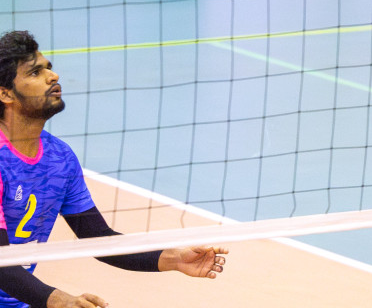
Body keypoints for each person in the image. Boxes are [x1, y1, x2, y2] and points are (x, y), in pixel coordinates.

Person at [0, 30, 228, 308]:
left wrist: (173, 258)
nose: (53, 76)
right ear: (5, 94)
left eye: (49, 67)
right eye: (35, 73)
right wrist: (58, 300)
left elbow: (97, 238)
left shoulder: (60, 158)